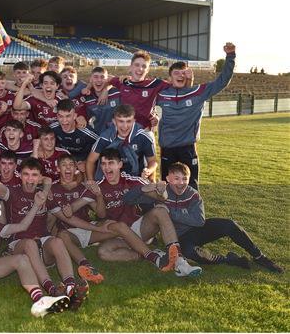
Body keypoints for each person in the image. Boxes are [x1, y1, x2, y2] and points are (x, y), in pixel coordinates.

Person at [0, 151, 89, 310]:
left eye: (34, 175)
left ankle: (70, 287)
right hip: (19, 245)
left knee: (57, 241)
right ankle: (52, 289)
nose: (30, 179)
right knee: (29, 244)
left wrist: (96, 228)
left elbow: (66, 217)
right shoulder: (13, 193)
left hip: (43, 246)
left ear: (40, 177)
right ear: (20, 175)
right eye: (26, 174)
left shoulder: (44, 195)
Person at [92, 149, 202, 277]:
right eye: (103, 164)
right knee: (104, 252)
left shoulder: (133, 181)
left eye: (111, 163)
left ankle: (180, 262)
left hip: (139, 228)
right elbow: (100, 215)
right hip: (117, 235)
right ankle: (152, 254)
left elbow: (161, 197)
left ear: (120, 165)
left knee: (160, 210)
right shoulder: (98, 187)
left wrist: (161, 190)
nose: (106, 167)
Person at [164, 162, 283, 273]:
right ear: (168, 179)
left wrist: (173, 213)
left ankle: (259, 257)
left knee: (229, 224)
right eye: (176, 179)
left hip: (197, 230)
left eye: (185, 179)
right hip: (180, 237)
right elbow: (145, 199)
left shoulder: (193, 194)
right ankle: (229, 259)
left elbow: (199, 221)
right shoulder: (161, 193)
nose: (181, 183)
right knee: (190, 252)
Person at [157, 43, 236, 190]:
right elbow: (142, 100)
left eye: (183, 73)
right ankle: (167, 212)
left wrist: (230, 56)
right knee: (167, 187)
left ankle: (192, 212)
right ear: (170, 77)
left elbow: (222, 81)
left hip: (188, 148)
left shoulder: (198, 92)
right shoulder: (162, 94)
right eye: (176, 73)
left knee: (191, 186)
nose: (180, 75)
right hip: (167, 148)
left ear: (188, 75)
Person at [87, 104, 157, 182]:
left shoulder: (143, 136)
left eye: (128, 121)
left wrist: (148, 171)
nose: (125, 126)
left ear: (134, 121)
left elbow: (152, 161)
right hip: (111, 179)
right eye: (121, 121)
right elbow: (90, 161)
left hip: (136, 178)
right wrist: (91, 181)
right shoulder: (105, 138)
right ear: (114, 121)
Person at [49, 99, 99, 165]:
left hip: (82, 162)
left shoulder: (86, 132)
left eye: (68, 116)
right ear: (57, 116)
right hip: (64, 163)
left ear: (75, 116)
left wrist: (87, 162)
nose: (64, 120)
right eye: (61, 116)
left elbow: (101, 146)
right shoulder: (53, 128)